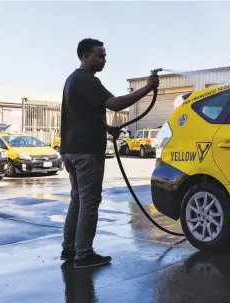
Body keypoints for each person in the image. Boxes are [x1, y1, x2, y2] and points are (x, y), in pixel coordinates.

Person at [60, 38, 159, 268]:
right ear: (85, 57)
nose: (104, 60)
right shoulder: (87, 80)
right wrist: (147, 88)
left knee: (77, 200)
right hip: (86, 152)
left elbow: (81, 115)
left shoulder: (71, 80)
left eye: (104, 55)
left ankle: (70, 248)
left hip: (71, 150)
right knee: (89, 201)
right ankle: (83, 254)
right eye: (99, 56)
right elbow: (114, 104)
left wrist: (108, 129)